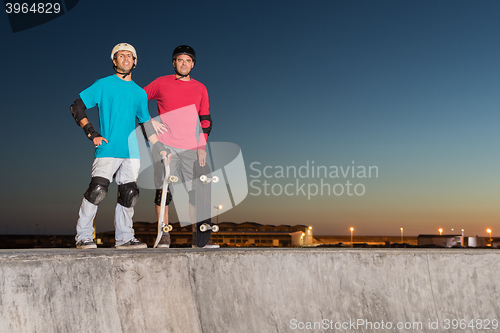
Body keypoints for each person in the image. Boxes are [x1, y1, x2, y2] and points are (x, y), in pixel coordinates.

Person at [71, 43, 169, 249]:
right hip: (108, 148)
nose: (125, 58)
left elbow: (146, 123)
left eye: (129, 56)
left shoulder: (140, 93)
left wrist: (159, 146)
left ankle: (124, 238)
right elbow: (77, 106)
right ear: (114, 61)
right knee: (97, 190)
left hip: (132, 152)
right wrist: (91, 132)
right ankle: (83, 236)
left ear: (135, 62)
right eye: (121, 55)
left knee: (130, 194)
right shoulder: (104, 84)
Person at [145, 45, 217, 248]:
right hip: (165, 147)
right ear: (173, 62)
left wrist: (201, 147)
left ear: (193, 64)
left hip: (192, 149)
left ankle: (200, 239)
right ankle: (164, 236)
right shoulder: (161, 82)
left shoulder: (200, 87)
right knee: (163, 192)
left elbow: (206, 120)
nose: (184, 63)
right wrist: (150, 122)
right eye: (180, 60)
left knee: (198, 193)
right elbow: (138, 100)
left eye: (188, 60)